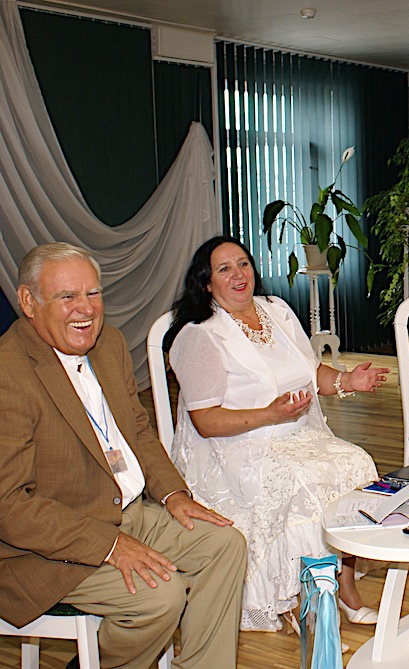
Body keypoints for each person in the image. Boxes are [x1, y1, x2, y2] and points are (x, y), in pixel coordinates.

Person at [0, 242, 246, 669]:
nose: (86, 309)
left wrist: (173, 494)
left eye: (93, 293)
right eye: (67, 296)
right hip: (48, 548)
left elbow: (136, 429)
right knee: (159, 598)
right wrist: (110, 545)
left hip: (126, 511)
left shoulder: (108, 345)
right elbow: (9, 506)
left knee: (225, 545)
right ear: (28, 302)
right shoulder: (8, 372)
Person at [165, 236, 388, 633]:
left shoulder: (276, 310)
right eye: (224, 269)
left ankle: (345, 588)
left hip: (297, 436)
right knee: (303, 483)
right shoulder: (201, 335)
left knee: (357, 463)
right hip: (237, 447)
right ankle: (301, 600)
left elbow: (311, 372)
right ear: (207, 283)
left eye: (243, 264)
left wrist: (347, 380)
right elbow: (206, 422)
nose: (238, 275)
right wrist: (268, 414)